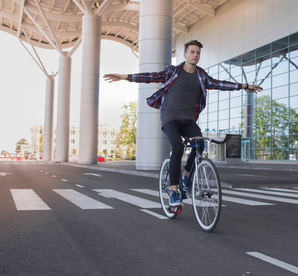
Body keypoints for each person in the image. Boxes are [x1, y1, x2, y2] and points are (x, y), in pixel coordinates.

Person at [103, 40, 262, 206]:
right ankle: (173, 191)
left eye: (198, 53)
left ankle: (186, 177)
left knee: (199, 146)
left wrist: (244, 86)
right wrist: (124, 77)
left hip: (187, 120)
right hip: (170, 118)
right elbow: (150, 76)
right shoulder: (172, 71)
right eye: (192, 52)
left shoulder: (201, 75)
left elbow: (218, 84)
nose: (195, 55)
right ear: (185, 55)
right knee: (178, 148)